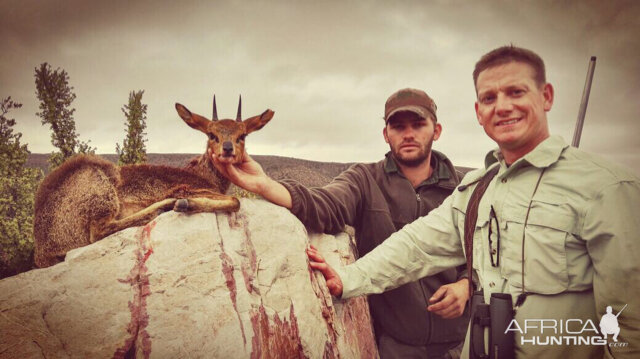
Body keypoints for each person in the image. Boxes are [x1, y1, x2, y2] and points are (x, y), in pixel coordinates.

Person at [306, 46, 640, 359]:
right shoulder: (478, 189)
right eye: (489, 98)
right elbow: (414, 247)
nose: (503, 106)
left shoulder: (607, 189)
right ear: (479, 112)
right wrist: (347, 279)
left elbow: (630, 326)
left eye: (516, 92)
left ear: (547, 96)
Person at [212, 88, 470, 358]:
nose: (408, 134)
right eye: (398, 126)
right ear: (386, 134)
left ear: (436, 130)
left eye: (418, 125)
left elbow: (487, 251)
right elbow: (326, 204)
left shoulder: (464, 188)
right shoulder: (365, 180)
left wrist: (466, 284)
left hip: (463, 343)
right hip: (396, 346)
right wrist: (265, 185)